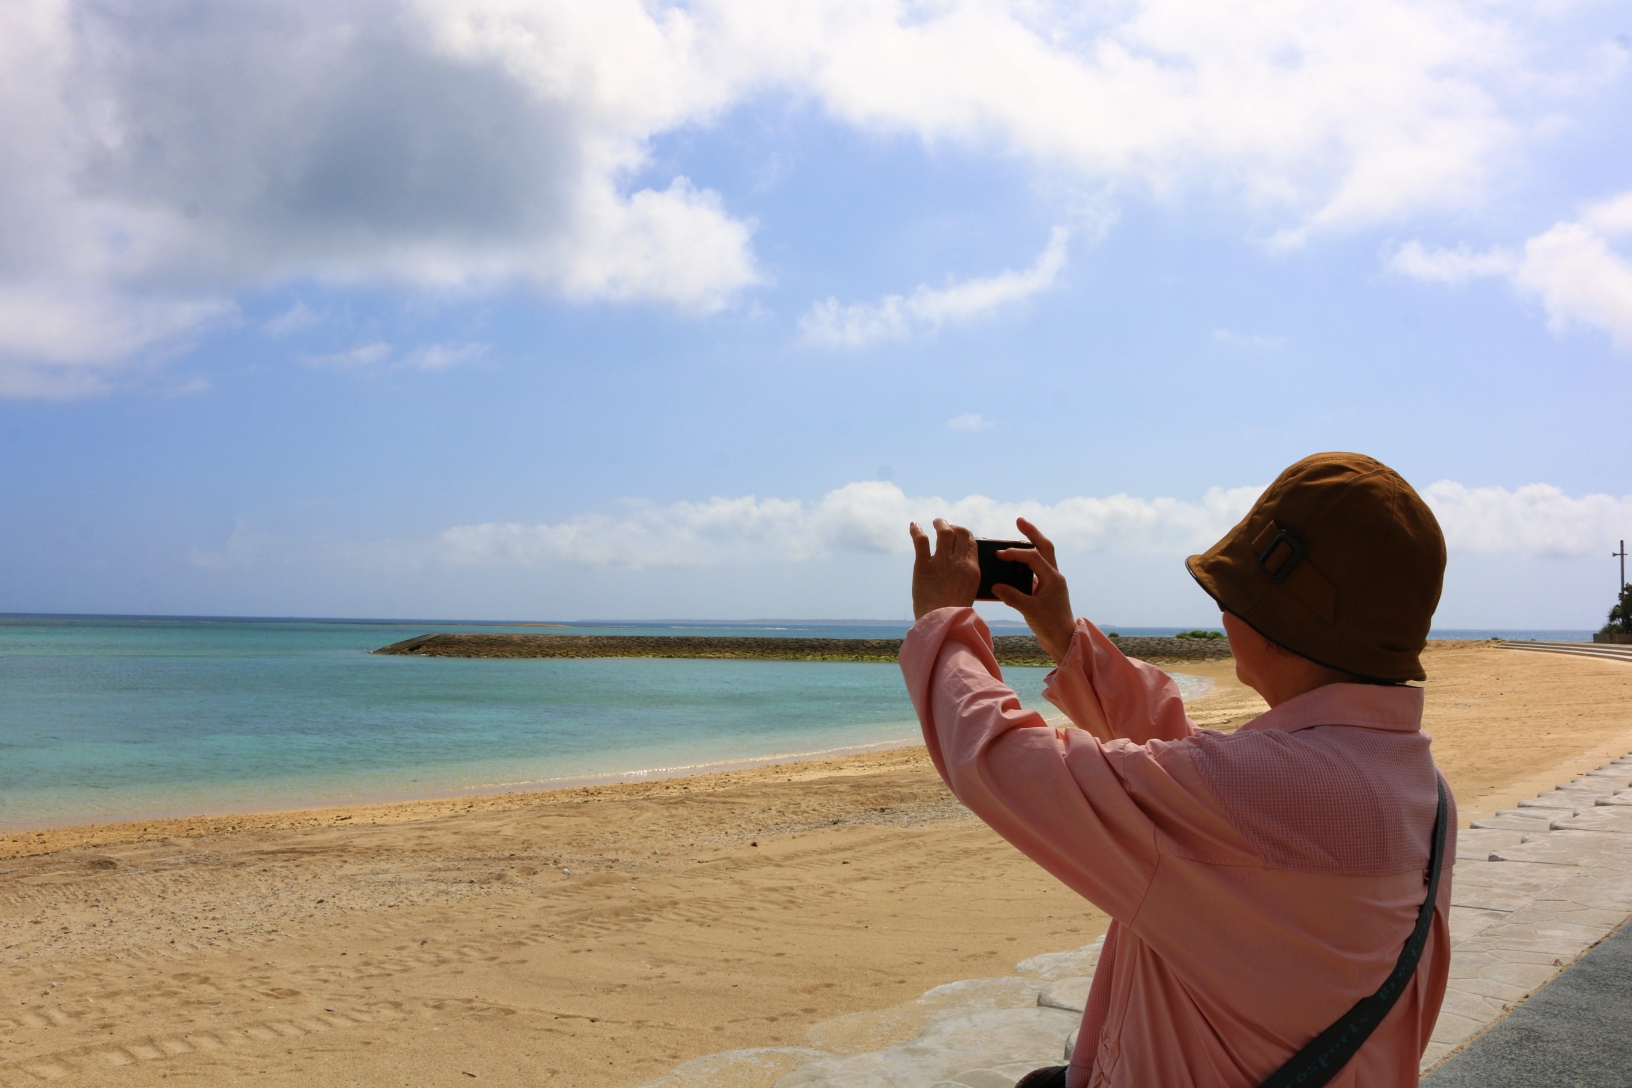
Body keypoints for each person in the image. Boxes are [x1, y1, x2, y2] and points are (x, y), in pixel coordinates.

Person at [900, 452, 1454, 1088]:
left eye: (1229, 594)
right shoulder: (1417, 788)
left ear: (1275, 622)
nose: (1223, 613)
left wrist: (943, 624)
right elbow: (1196, 776)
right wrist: (1067, 639)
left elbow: (1002, 762)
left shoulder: (1260, 791)